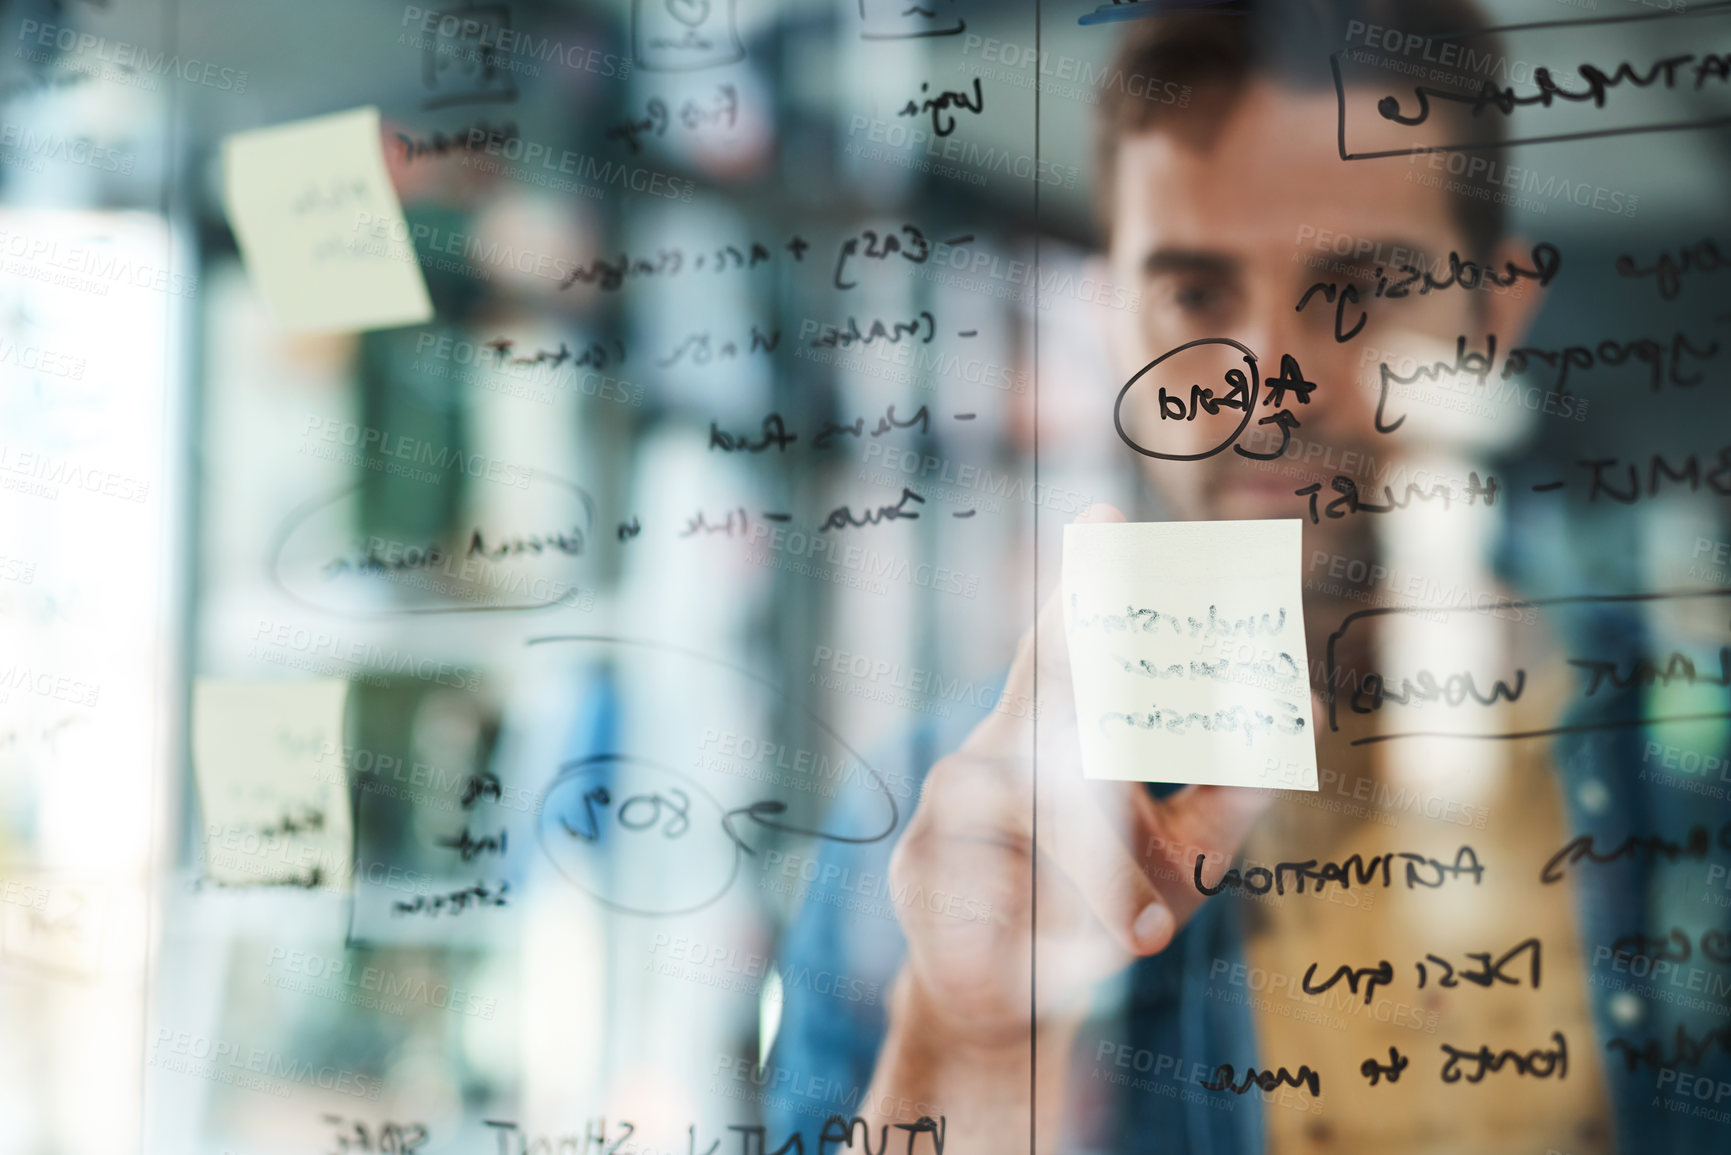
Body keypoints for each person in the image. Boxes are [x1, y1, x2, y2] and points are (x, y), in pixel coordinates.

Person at [770, 3, 1727, 1152]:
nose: (1266, 385)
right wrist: (968, 1040)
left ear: (1494, 312)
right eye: (1194, 296)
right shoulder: (935, 833)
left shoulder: (1698, 751)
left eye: (1360, 285)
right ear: (1114, 323)